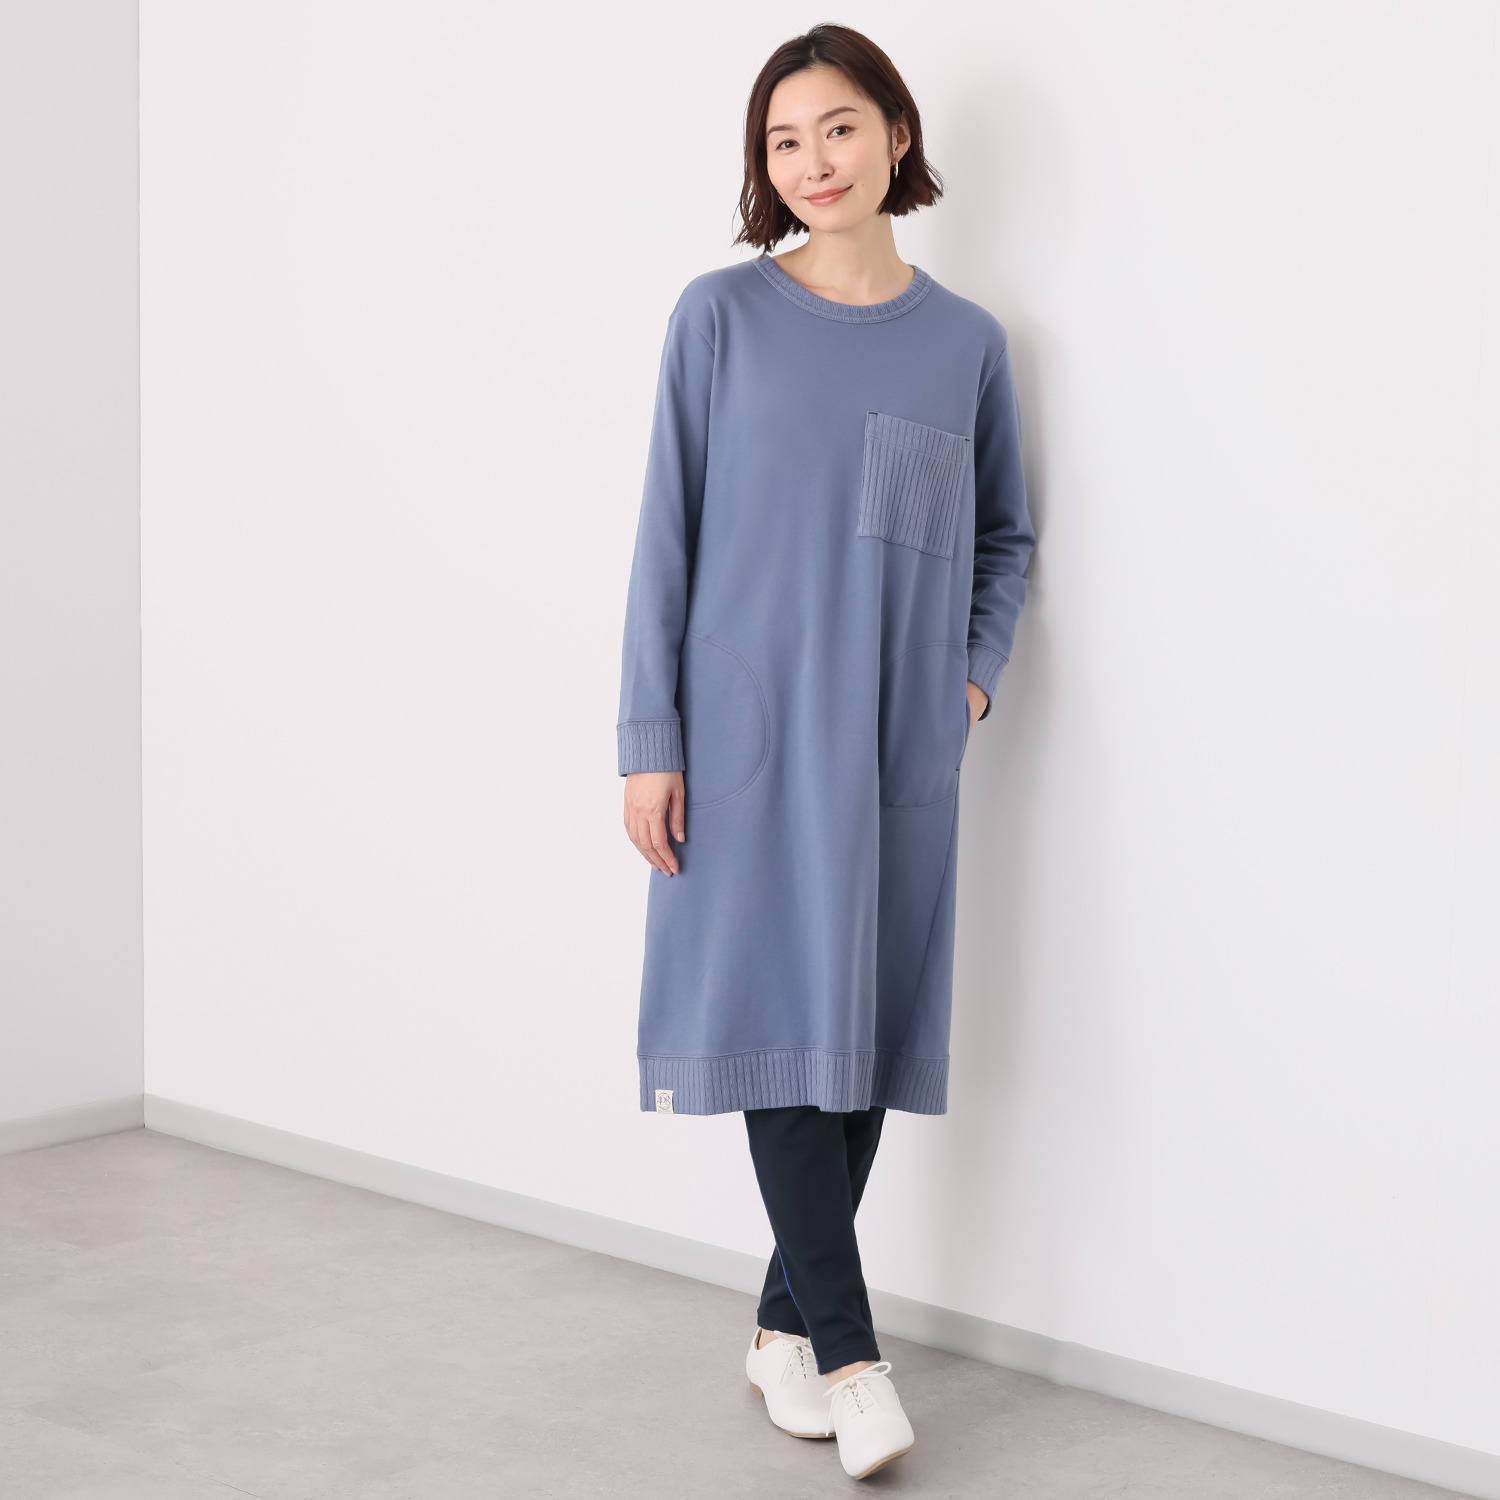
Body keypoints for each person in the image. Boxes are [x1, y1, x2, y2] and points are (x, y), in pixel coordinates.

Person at [616, 23, 1034, 1482]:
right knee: (784, 1029)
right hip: (740, 745)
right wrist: (648, 739)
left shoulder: (965, 344)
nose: (813, 163)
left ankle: (781, 1329)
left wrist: (966, 688)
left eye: (839, 129)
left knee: (856, 1042)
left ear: (896, 136)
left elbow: (1002, 541)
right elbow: (664, 540)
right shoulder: (718, 318)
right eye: (783, 142)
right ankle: (853, 1362)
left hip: (894, 756)